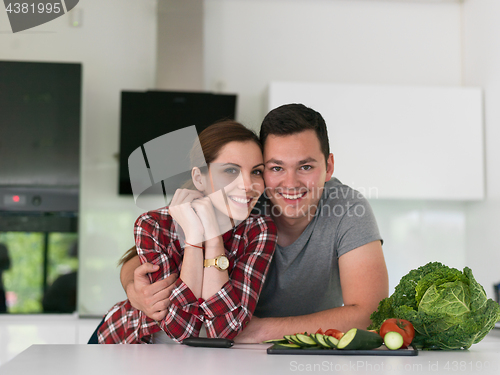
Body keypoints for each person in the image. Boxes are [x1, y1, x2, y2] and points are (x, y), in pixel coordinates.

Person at [109, 103, 388, 343]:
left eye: (305, 166)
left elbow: (369, 313)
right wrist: (135, 289)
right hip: (159, 344)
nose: (290, 183)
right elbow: (149, 246)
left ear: (328, 167)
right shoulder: (245, 199)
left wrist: (258, 330)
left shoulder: (348, 210)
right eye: (276, 167)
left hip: (270, 349)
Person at [96, 121, 277, 344]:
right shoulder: (153, 224)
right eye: (231, 170)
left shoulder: (259, 230)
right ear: (199, 178)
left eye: (256, 171)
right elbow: (182, 329)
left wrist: (212, 236)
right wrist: (193, 239)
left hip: (198, 359)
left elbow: (224, 331)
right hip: (123, 343)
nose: (249, 184)